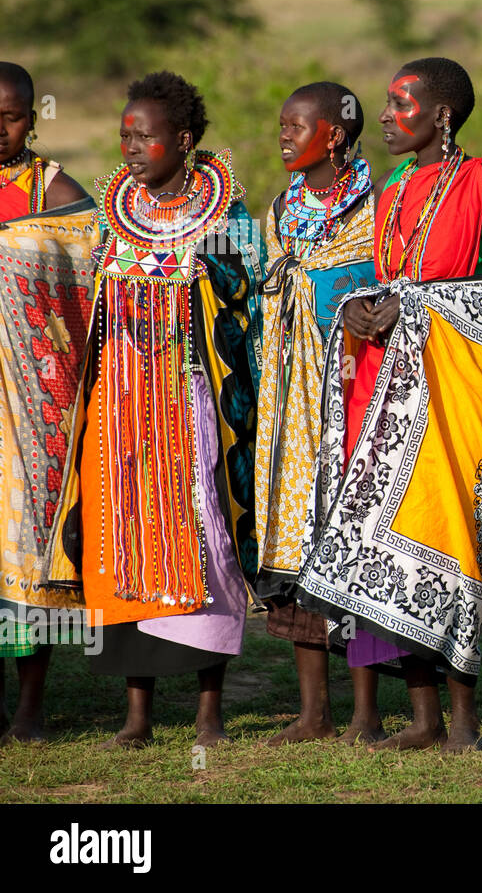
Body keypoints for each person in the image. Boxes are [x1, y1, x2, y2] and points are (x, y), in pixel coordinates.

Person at [295, 58, 482, 751]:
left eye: (402, 105)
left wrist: (418, 305)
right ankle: (424, 720)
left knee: (452, 541)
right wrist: (363, 309)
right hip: (391, 385)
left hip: (461, 391)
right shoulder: (395, 190)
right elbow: (381, 280)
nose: (388, 116)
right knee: (387, 547)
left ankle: (464, 721)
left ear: (442, 115)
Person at [46, 71, 264, 747]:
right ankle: (137, 715)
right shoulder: (112, 212)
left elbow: (249, 294)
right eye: (124, 135)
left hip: (191, 401)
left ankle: (208, 712)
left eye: (145, 136)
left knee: (203, 538)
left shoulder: (227, 212)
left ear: (186, 140)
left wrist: (213, 272)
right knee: (120, 538)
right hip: (118, 406)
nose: (131, 146)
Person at [255, 82, 386, 745]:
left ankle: (367, 712)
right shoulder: (283, 207)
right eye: (282, 125)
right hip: (289, 404)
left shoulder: (379, 207)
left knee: (351, 541)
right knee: (295, 544)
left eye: (296, 126)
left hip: (354, 393)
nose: (283, 136)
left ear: (333, 135)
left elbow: (394, 295)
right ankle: (315, 712)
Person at [0, 61, 93, 743]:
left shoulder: (55, 190)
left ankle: (31, 708)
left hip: (37, 402)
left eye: (9, 116)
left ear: (34, 118)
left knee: (33, 550)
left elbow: (95, 284)